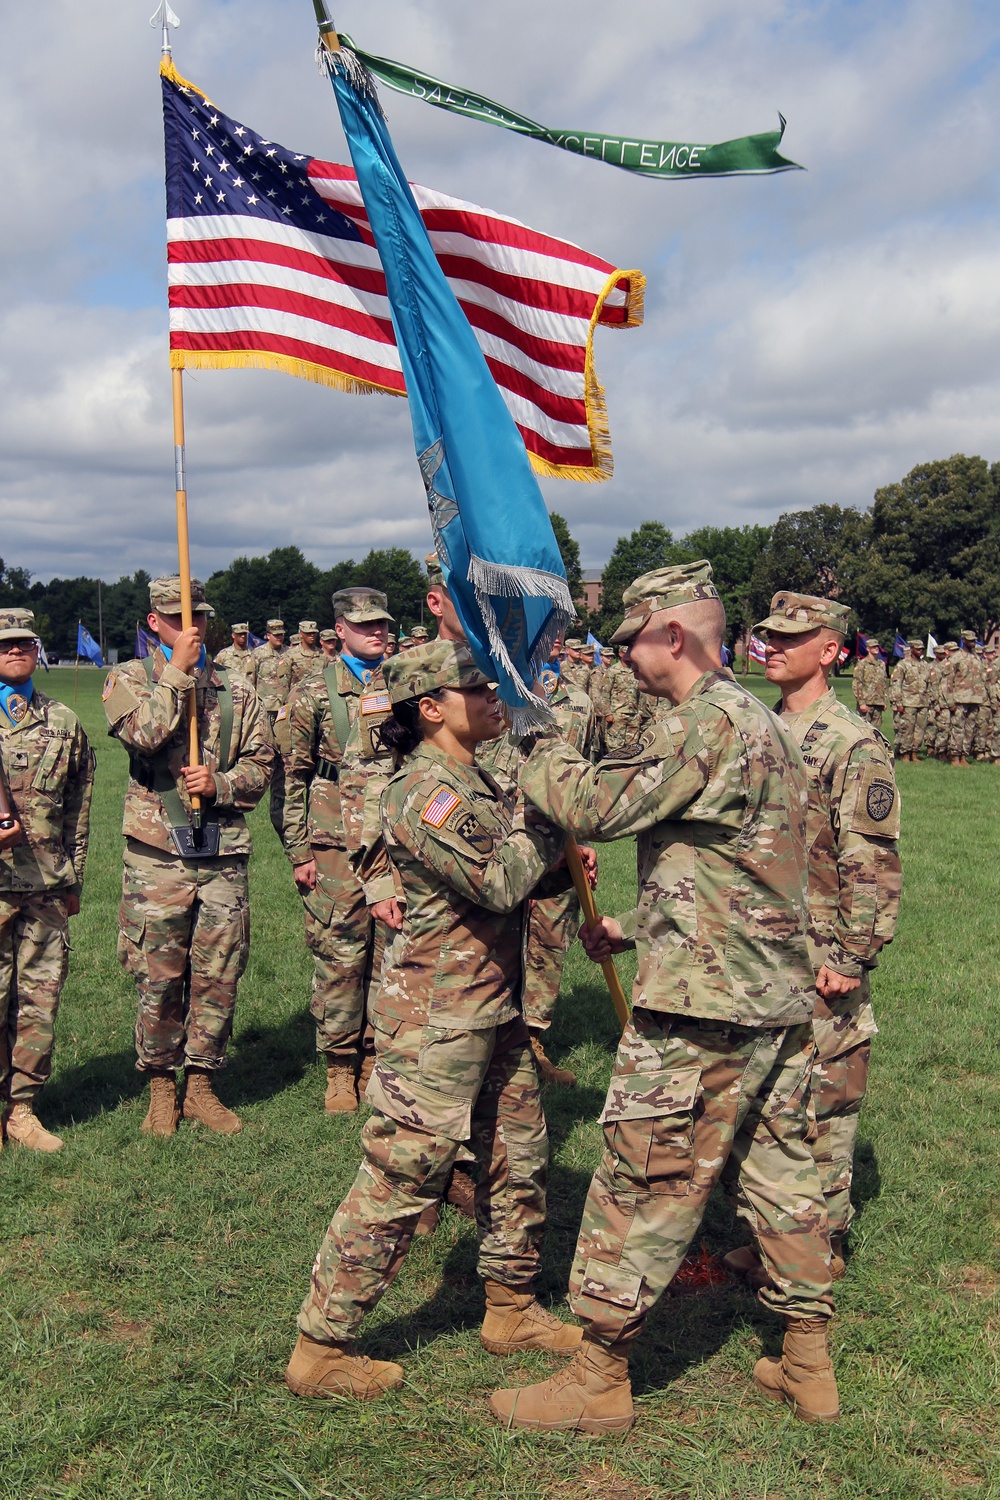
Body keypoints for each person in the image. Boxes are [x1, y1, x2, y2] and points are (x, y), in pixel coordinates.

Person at [490, 562, 837, 1434]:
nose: (625, 660)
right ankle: (807, 1363)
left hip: (703, 1010)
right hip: (773, 999)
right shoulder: (757, 719)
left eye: (630, 641)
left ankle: (598, 1379)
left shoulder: (707, 724)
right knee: (782, 1180)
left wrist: (541, 741)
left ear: (672, 636)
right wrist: (642, 922)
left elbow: (597, 803)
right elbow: (738, 869)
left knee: (641, 1181)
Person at [286, 641, 585, 1401]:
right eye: (476, 687)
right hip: (438, 1020)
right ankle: (321, 1347)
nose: (494, 697)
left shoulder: (474, 777)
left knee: (518, 1157)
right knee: (403, 1175)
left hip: (496, 1006)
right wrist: (553, 821)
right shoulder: (424, 793)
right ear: (430, 708)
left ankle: (510, 1308)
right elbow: (501, 879)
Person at [722, 592, 900, 1288]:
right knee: (768, 1108)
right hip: (757, 955)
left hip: (821, 958)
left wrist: (851, 957)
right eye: (768, 636)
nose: (774, 646)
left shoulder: (850, 741)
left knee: (824, 1107)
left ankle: (819, 1247)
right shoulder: (757, 727)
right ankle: (775, 1237)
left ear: (831, 650)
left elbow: (873, 863)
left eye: (793, 638)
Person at [103, 576, 273, 1137]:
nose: (192, 625)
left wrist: (220, 783)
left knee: (219, 970)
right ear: (155, 621)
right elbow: (145, 735)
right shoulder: (127, 679)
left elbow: (261, 765)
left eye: (199, 614)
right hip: (157, 853)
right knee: (158, 972)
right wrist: (176, 670)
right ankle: (159, 1083)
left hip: (222, 850)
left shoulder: (235, 688)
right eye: (178, 617)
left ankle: (200, 1083)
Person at [283, 587, 396, 1113]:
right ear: (341, 629)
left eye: (382, 624)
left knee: (389, 952)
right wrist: (299, 850)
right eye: (365, 624)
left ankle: (376, 1056)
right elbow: (293, 775)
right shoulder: (312, 689)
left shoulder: (404, 681)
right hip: (333, 840)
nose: (377, 631)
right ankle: (339, 1066)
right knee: (341, 953)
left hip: (393, 836)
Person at [0, 609, 94, 1153]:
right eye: (5, 644)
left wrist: (74, 877)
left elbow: (79, 807)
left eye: (24, 643)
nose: (15, 651)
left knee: (38, 999)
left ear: (37, 649)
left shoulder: (62, 721)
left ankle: (21, 1110)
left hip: (45, 886)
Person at [251, 620, 292, 837]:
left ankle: (279, 786)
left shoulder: (290, 654)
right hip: (264, 710)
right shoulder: (257, 655)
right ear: (267, 635)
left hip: (284, 711)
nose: (279, 637)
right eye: (275, 634)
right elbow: (250, 680)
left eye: (281, 633)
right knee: (262, 751)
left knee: (283, 754)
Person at [889, 638, 928, 761]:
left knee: (919, 729)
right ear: (911, 649)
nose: (920, 651)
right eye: (918, 649)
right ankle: (905, 753)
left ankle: (914, 753)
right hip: (908, 702)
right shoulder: (903, 664)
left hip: (923, 702)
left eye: (922, 649)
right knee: (907, 729)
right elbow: (896, 684)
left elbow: (930, 684)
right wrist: (898, 702)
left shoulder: (925, 665)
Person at [852, 641, 888, 729]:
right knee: (864, 730)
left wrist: (884, 701)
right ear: (868, 649)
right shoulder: (862, 664)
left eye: (877, 647)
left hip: (878, 703)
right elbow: (857, 684)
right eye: (873, 647)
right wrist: (861, 703)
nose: (876, 648)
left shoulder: (881, 664)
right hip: (866, 702)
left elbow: (884, 683)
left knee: (876, 732)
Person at [286, 620, 323, 689]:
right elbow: (284, 683)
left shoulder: (322, 654)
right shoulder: (290, 655)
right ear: (301, 634)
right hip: (297, 696)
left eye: (314, 633)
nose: (312, 635)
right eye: (308, 633)